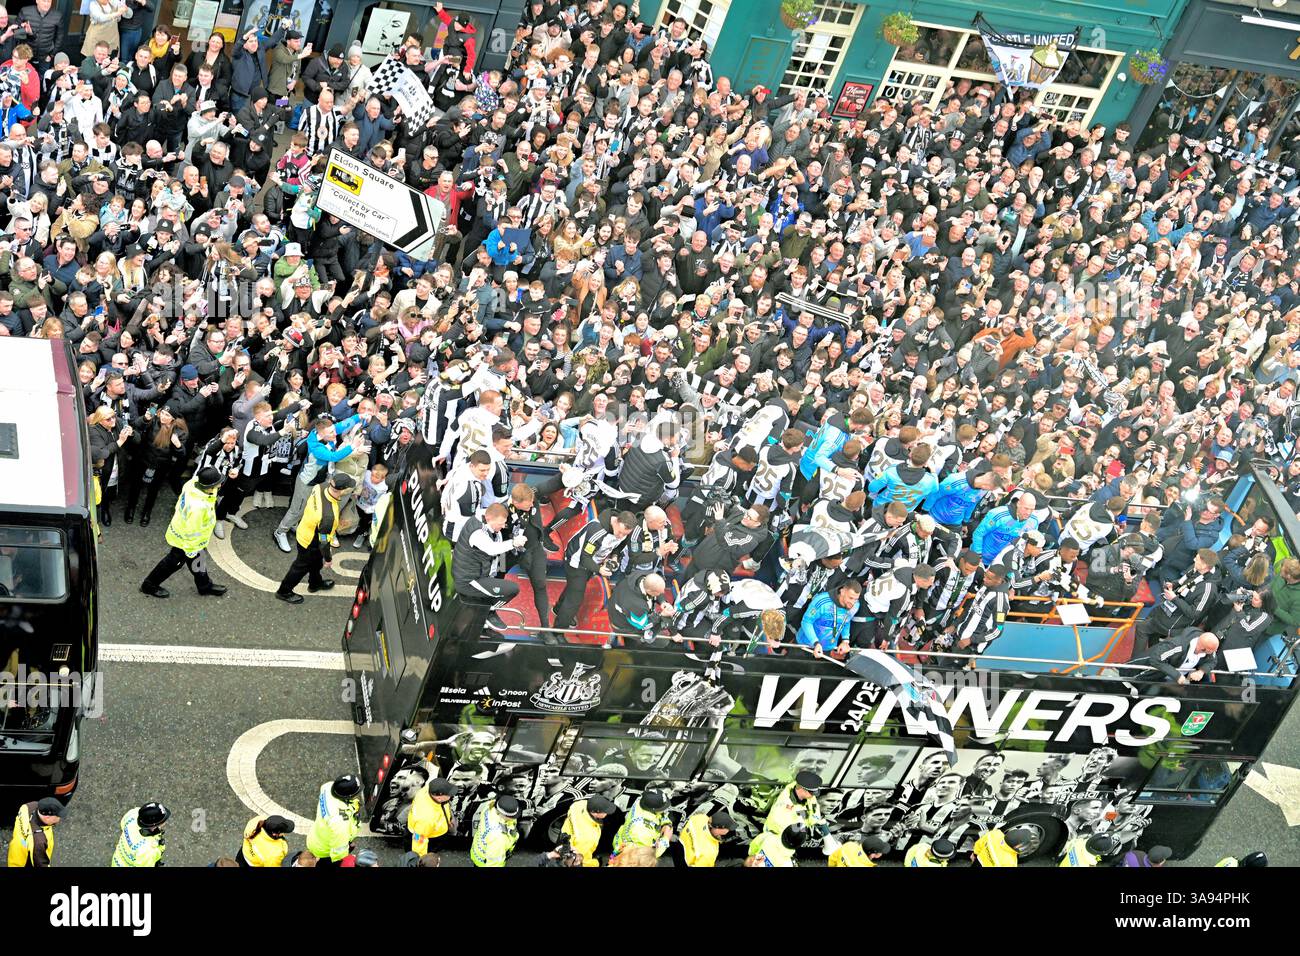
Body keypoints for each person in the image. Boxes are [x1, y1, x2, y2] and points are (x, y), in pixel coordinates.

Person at [138, 466, 228, 598]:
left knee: (199, 560)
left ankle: (204, 586)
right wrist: (191, 548)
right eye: (217, 483)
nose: (220, 484)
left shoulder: (193, 484)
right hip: (186, 541)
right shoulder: (198, 507)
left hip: (186, 535)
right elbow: (192, 530)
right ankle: (149, 585)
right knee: (173, 563)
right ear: (210, 487)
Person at [274, 472, 354, 604]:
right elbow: (323, 543)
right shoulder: (329, 516)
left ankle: (315, 583)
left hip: (304, 529)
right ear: (343, 490)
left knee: (316, 563)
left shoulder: (321, 486)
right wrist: (328, 559)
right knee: (300, 567)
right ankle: (284, 591)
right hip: (311, 542)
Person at [451, 501, 526, 630]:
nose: (502, 526)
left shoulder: (484, 516)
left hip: (477, 570)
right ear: (489, 518)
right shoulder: (477, 533)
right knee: (513, 589)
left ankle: (489, 602)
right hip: (469, 580)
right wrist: (514, 543)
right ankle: (489, 611)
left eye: (504, 523)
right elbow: (491, 549)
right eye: (500, 524)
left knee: (503, 567)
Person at [306, 774, 362, 867]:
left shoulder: (327, 787)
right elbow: (339, 851)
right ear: (348, 796)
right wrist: (343, 854)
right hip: (325, 851)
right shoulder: (340, 822)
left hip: (316, 838)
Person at [611, 788, 672, 861]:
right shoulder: (641, 833)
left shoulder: (642, 801)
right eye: (663, 807)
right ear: (654, 809)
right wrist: (666, 839)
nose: (665, 808)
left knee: (612, 860)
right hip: (629, 857)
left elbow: (660, 814)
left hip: (621, 845)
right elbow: (647, 856)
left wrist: (666, 823)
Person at [407, 776, 457, 859]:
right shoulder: (425, 818)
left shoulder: (429, 790)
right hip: (430, 839)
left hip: (431, 831)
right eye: (449, 794)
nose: (451, 796)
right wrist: (421, 859)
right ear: (439, 797)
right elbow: (419, 839)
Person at [6, 797, 64, 867]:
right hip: (24, 862)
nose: (60, 818)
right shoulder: (39, 842)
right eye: (58, 816)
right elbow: (41, 864)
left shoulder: (28, 807)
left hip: (16, 851)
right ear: (47, 817)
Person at [561, 793, 616, 866]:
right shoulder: (588, 837)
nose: (607, 814)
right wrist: (596, 863)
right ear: (595, 812)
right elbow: (583, 859)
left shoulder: (578, 804)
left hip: (564, 837)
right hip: (573, 850)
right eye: (605, 812)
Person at [111, 802, 169, 867]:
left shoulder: (133, 814)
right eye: (163, 821)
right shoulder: (148, 851)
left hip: (117, 861)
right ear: (154, 826)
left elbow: (122, 824)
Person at [470, 794, 521, 867]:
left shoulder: (489, 807)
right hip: (485, 863)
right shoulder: (498, 838)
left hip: (478, 853)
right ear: (505, 816)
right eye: (512, 816)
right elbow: (494, 864)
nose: (514, 818)